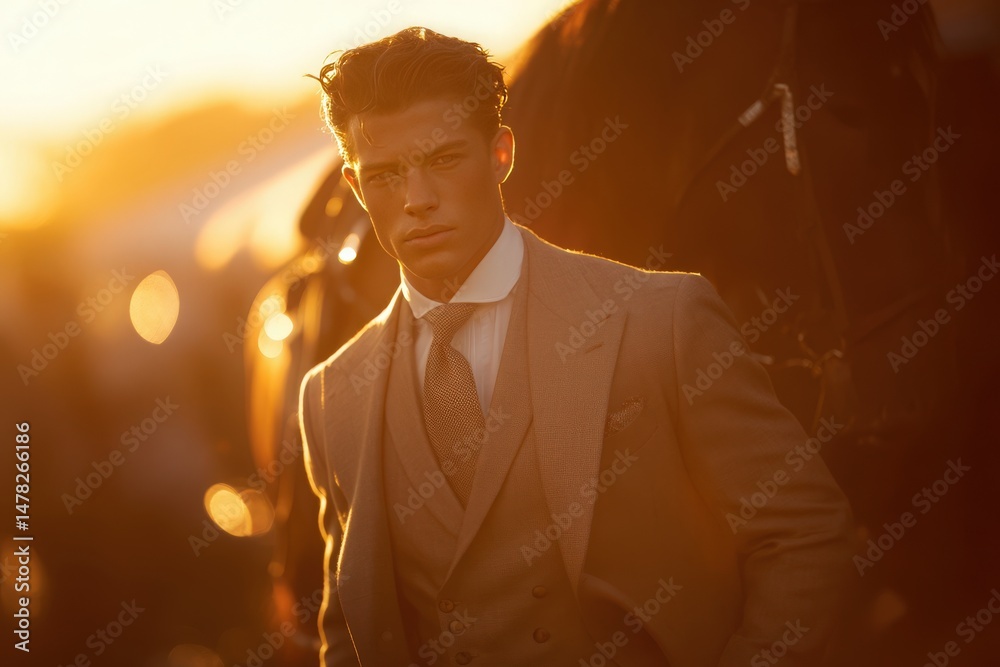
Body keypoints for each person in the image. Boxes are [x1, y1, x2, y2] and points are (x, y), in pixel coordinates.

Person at [299, 26, 855, 667]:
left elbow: (804, 532)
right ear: (354, 182)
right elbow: (347, 633)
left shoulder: (661, 319)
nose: (417, 200)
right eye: (387, 174)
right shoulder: (330, 396)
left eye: (445, 159)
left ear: (502, 153)